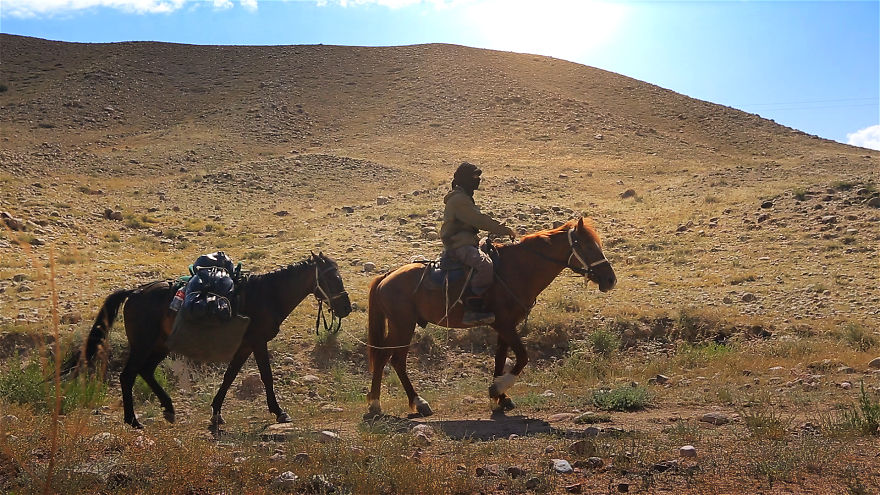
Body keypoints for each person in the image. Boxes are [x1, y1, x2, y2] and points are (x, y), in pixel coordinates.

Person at [440, 162, 516, 325]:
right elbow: (479, 220)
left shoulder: (464, 197)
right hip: (458, 245)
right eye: (474, 177)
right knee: (485, 264)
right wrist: (504, 230)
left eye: (478, 177)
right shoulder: (459, 200)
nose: (477, 180)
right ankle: (472, 308)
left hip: (467, 242)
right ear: (466, 179)